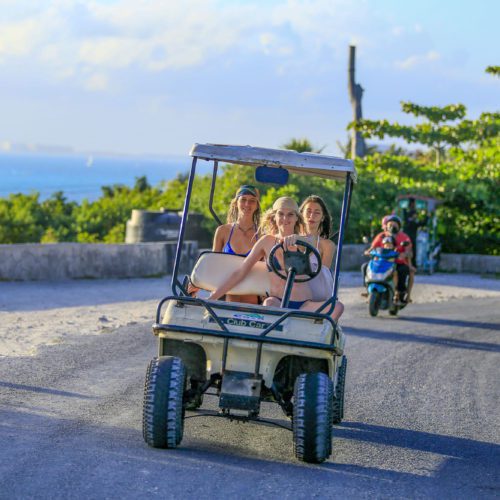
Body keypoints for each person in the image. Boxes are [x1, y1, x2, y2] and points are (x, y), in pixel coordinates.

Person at [207, 196, 344, 321]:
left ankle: (314, 340)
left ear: (297, 218)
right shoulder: (266, 241)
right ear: (274, 217)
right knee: (268, 303)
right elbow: (240, 272)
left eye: (290, 214)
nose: (285, 219)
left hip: (304, 304)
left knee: (337, 307)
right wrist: (213, 297)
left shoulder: (305, 242)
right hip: (277, 301)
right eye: (281, 214)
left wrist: (296, 239)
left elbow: (313, 243)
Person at [190, 184, 261, 304]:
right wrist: (196, 284)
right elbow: (213, 264)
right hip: (227, 290)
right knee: (231, 296)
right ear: (236, 203)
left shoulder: (262, 235)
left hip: (251, 290)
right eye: (243, 200)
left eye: (252, 201)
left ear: (257, 205)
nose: (247, 204)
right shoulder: (223, 231)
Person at [364, 215, 414, 303]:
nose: (392, 227)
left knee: (403, 270)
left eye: (395, 225)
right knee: (365, 267)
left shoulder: (404, 237)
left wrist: (404, 254)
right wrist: (368, 252)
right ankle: (368, 288)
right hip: (381, 262)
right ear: (386, 226)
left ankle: (399, 292)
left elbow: (409, 251)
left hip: (397, 263)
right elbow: (372, 248)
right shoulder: (381, 236)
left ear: (399, 226)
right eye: (390, 224)